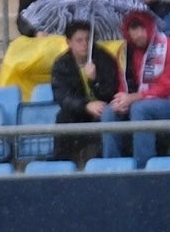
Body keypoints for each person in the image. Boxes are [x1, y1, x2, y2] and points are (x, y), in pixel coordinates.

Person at [102, 9, 170, 169]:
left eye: (142, 27)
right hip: (138, 102)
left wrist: (133, 98)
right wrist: (121, 101)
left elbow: (166, 88)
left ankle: (143, 168)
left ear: (150, 26)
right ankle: (111, 167)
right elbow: (123, 85)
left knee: (140, 109)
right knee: (110, 111)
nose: (138, 34)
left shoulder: (168, 46)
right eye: (134, 29)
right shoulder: (124, 52)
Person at [49, 18, 120, 162]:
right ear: (69, 42)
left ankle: (104, 161)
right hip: (79, 111)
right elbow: (62, 97)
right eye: (79, 40)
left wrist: (95, 80)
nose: (85, 44)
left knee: (109, 115)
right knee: (63, 117)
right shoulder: (62, 64)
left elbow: (111, 91)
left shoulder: (105, 58)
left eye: (88, 39)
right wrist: (85, 105)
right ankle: (61, 162)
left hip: (104, 108)